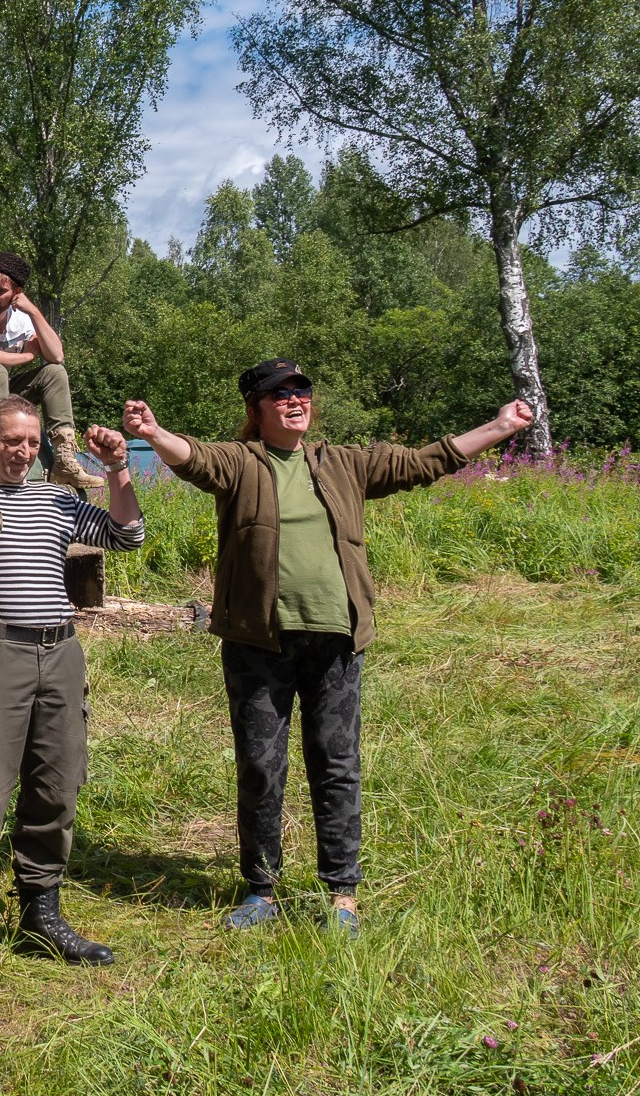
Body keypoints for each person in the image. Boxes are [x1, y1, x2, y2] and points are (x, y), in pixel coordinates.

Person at [124, 362, 536, 933]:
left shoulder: (341, 463)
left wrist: (498, 426)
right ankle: (261, 889)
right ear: (258, 408)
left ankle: (342, 892)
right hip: (257, 642)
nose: (296, 401)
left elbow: (421, 462)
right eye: (281, 395)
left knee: (336, 763)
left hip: (336, 640)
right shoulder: (243, 463)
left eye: (302, 392)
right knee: (261, 766)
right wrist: (150, 433)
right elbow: (192, 456)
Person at [0, 396, 145, 985]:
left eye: (31, 442)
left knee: (57, 781)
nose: (22, 452)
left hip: (60, 651)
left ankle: (41, 910)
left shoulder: (58, 498)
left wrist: (119, 466)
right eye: (11, 441)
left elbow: (128, 534)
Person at [0, 252, 103, 489]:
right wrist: (27, 355)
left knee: (54, 373)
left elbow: (56, 355)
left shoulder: (22, 318)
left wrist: (34, 312)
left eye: (0, 291)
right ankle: (0, 460)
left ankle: (64, 460)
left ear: (17, 293)